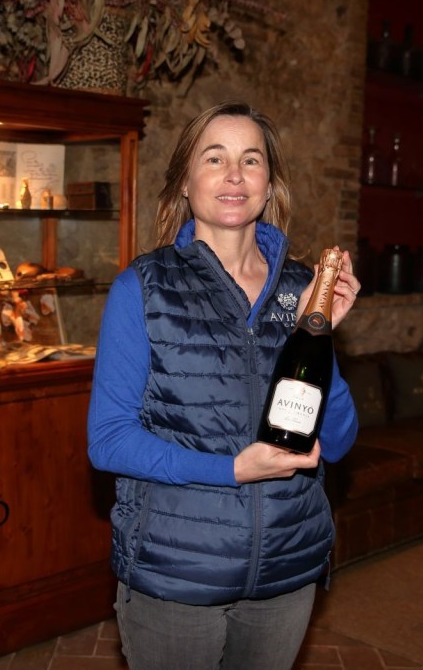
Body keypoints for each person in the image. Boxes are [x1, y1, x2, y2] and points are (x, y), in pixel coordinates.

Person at [87, 100, 362, 670]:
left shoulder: (303, 289)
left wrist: (321, 339)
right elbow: (109, 441)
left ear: (269, 183)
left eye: (251, 160)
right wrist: (232, 470)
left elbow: (336, 442)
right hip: (175, 573)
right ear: (185, 182)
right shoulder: (142, 288)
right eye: (215, 159)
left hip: (286, 568)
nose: (235, 175)